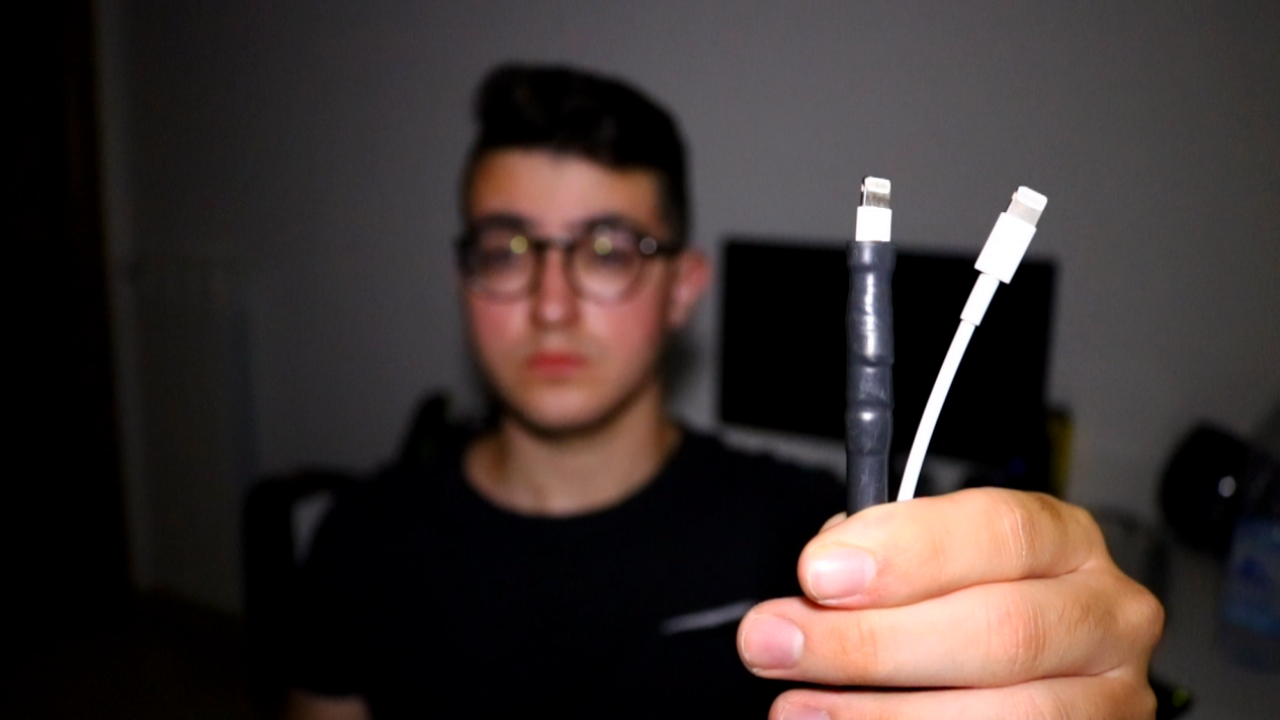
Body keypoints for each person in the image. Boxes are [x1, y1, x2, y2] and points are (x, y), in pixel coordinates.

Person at [286, 64, 1163, 719]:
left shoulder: (812, 540)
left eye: (607, 250)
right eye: (508, 250)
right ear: (462, 278)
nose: (551, 305)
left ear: (684, 288)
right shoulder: (359, 541)